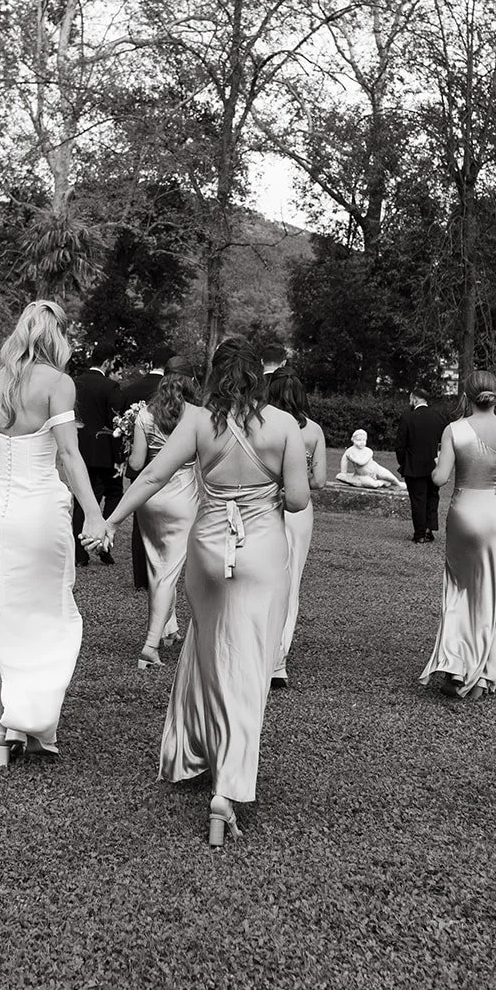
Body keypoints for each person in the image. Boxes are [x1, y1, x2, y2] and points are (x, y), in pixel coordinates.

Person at [96, 336, 310, 847]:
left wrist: (110, 519)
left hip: (208, 549)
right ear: (259, 376)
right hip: (258, 551)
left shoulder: (196, 420)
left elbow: (151, 473)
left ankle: (190, 749)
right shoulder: (283, 426)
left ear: (215, 375)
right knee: (249, 665)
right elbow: (299, 501)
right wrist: (270, 491)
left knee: (207, 650)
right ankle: (226, 788)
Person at [0, 301, 109, 766]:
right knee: (46, 615)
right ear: (57, 337)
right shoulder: (57, 384)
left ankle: (4, 731)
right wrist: (94, 514)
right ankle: (28, 719)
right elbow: (68, 456)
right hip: (43, 512)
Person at [420, 370, 496, 703]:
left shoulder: (454, 430)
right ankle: (481, 677)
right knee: (491, 599)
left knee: (461, 593)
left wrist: (435, 462)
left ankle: (457, 668)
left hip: (464, 515)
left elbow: (439, 478)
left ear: (466, 394)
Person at [128, 356, 200, 667]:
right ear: (191, 381)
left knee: (158, 566)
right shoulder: (197, 415)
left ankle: (170, 628)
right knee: (168, 572)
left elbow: (135, 464)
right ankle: (150, 644)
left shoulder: (144, 413)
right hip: (182, 497)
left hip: (149, 499)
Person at [265, 368, 327, 688]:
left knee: (261, 579)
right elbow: (319, 481)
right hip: (300, 512)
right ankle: (278, 662)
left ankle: (257, 652)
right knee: (292, 583)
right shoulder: (313, 430)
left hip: (265, 504)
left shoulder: (261, 423)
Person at [118, 343, 173, 591]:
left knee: (141, 522)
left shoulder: (131, 390)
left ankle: (141, 576)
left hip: (140, 465)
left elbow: (120, 427)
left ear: (151, 364)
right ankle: (164, 573)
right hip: (171, 466)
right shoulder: (178, 393)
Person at [71, 338, 122, 567]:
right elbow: (116, 423)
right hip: (105, 453)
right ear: (109, 362)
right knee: (115, 495)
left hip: (79, 451)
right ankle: (103, 541)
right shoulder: (110, 387)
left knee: (82, 500)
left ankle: (79, 555)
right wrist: (120, 456)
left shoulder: (75, 383)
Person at [395, 387, 446, 543]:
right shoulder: (439, 417)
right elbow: (443, 443)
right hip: (434, 465)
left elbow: (400, 444)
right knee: (432, 497)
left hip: (413, 465)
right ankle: (429, 530)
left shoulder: (407, 417)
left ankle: (419, 534)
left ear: (415, 399)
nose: (410, 402)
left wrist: (403, 462)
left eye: (411, 399)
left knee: (418, 499)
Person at [336, 430, 405, 489]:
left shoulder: (368, 451)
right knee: (373, 485)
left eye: (363, 440)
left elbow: (362, 462)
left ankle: (398, 483)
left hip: (376, 469)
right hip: (362, 475)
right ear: (353, 440)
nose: (361, 442)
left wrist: (353, 459)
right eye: (358, 440)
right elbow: (344, 459)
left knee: (389, 476)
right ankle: (383, 482)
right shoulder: (350, 451)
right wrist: (343, 472)